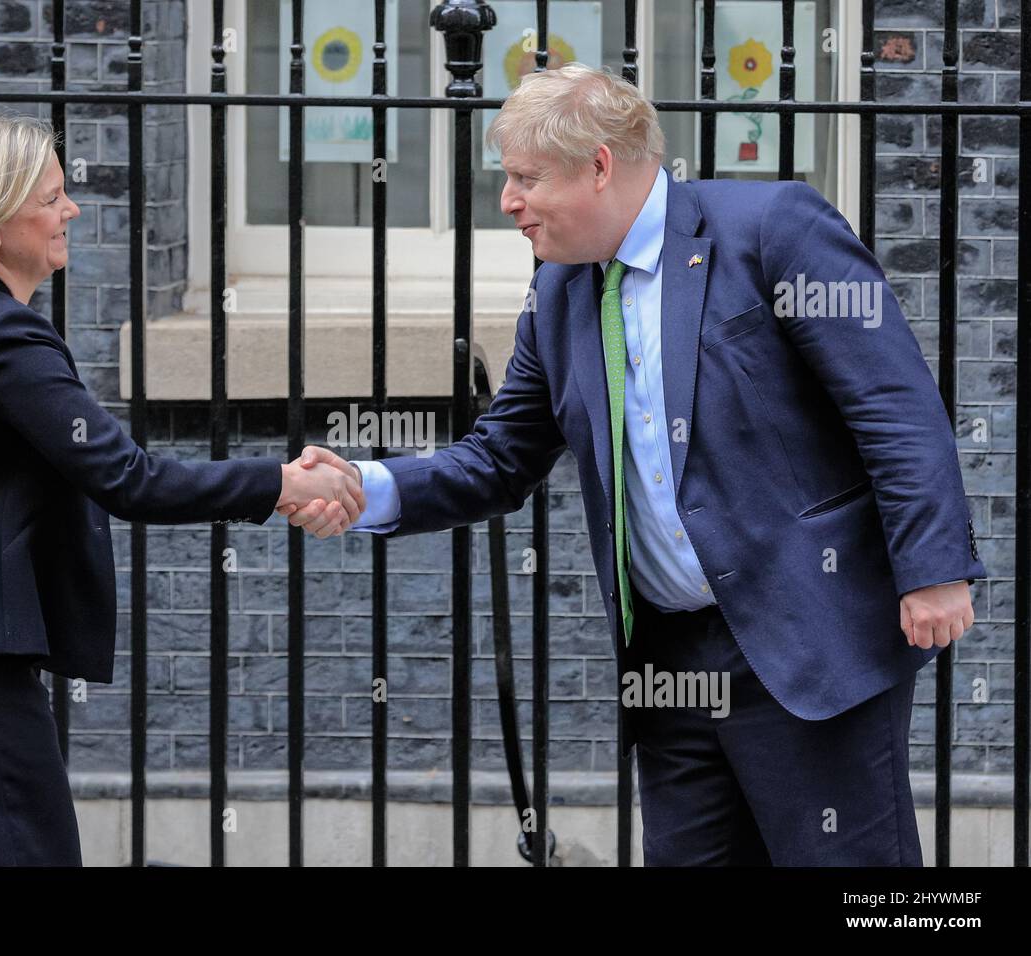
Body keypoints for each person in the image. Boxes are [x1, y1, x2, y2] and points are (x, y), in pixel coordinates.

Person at [283, 63, 984, 866]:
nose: (508, 202)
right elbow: (501, 457)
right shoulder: (558, 293)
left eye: (523, 179)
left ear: (600, 166)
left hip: (808, 642)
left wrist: (932, 568)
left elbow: (893, 406)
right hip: (669, 671)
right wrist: (363, 485)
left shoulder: (771, 228)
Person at [0, 111, 364, 866]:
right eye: (51, 198)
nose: (71, 210)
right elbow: (128, 476)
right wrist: (279, 480)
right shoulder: (1, 337)